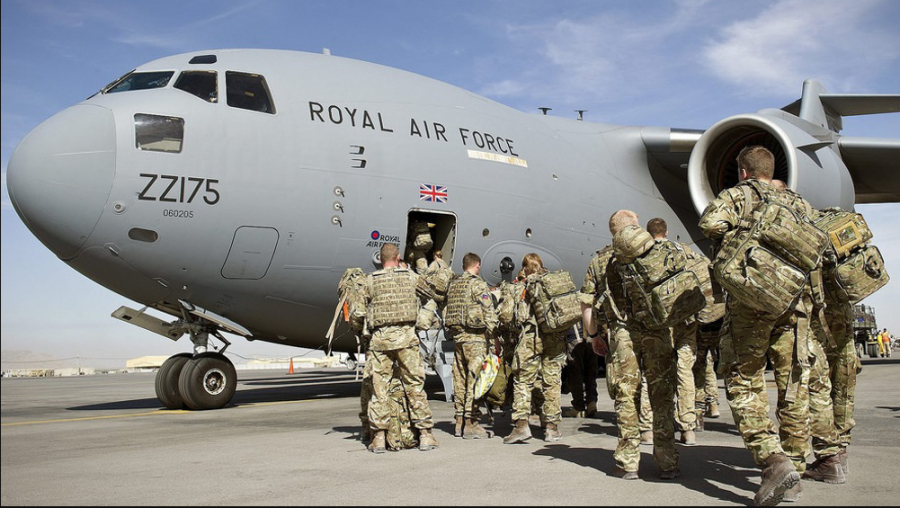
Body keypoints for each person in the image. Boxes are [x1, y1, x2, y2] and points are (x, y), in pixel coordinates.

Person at [699, 145, 815, 505]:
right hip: (793, 302)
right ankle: (794, 468)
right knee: (793, 381)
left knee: (741, 379)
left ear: (744, 172)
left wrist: (744, 232)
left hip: (751, 300)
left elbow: (710, 223)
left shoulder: (738, 195)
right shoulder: (797, 202)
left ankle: (773, 460)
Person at [594, 210, 680, 480]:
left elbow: (587, 302)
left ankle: (628, 462)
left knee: (627, 396)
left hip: (623, 334)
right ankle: (667, 462)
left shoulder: (602, 259)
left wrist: (594, 334)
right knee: (662, 395)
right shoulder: (658, 250)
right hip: (658, 331)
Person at [362, 242, 439, 453]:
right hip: (407, 339)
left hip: (380, 341)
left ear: (380, 258)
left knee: (380, 390)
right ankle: (425, 434)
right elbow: (432, 297)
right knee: (414, 386)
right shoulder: (410, 277)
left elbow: (360, 312)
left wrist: (366, 331)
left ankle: (378, 437)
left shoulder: (370, 281)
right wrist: (422, 321)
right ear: (397, 258)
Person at [503, 253, 568, 443]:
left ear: (524, 268)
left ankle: (522, 426)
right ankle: (552, 428)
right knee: (552, 383)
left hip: (530, 338)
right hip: (555, 338)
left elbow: (506, 317)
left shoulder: (519, 288)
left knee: (523, 380)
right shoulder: (552, 283)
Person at [647, 217, 700, 446]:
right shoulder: (686, 251)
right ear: (667, 231)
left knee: (653, 373)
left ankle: (648, 427)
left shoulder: (645, 254)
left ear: (649, 234)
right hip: (686, 320)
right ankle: (688, 428)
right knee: (684, 370)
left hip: (659, 322)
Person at [443, 252, 498, 439]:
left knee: (459, 380)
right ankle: (471, 422)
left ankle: (459, 421)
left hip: (458, 339)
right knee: (475, 381)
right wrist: (495, 338)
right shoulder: (478, 284)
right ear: (478, 266)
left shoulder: (454, 285)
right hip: (475, 340)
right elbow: (488, 311)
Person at [562, 323, 599, 418]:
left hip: (574, 336)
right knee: (590, 370)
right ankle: (591, 401)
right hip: (591, 334)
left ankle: (578, 407)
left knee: (575, 373)